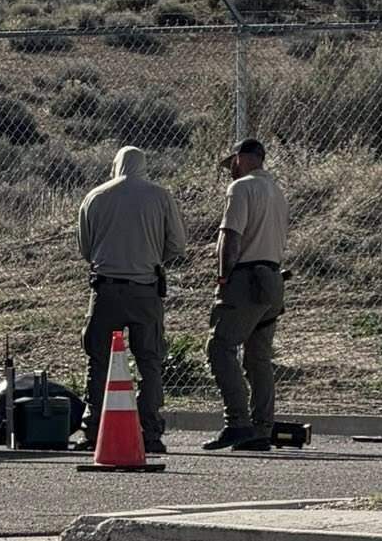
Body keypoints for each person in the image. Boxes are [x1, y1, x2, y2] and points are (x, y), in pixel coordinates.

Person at [77, 145, 188, 455]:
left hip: (106, 290)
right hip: (146, 289)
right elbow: (177, 244)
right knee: (149, 361)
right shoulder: (160, 196)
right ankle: (150, 432)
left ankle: (93, 430)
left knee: (98, 360)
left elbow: (86, 248)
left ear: (116, 165)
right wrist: (153, 258)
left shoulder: (96, 197)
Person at [205, 137, 290, 453]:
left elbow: (230, 236)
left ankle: (237, 422)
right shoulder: (277, 192)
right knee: (259, 357)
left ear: (242, 158)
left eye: (233, 165)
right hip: (272, 279)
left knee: (220, 346)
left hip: (246, 278)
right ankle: (261, 428)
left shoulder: (241, 189)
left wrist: (224, 276)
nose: (231, 172)